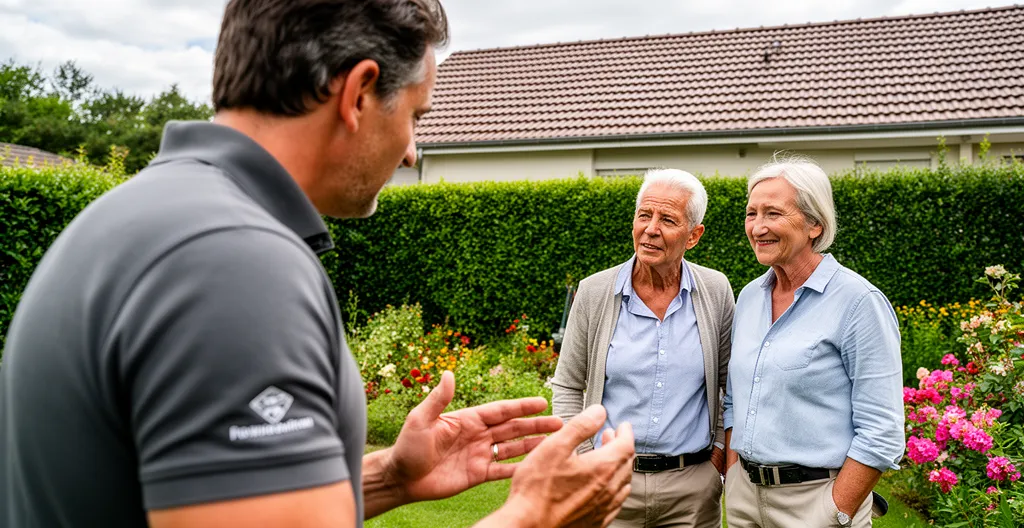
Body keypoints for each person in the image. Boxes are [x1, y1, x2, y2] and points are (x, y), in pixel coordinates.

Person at [0, 1, 637, 527]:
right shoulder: (234, 264)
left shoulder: (143, 215)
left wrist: (388, 475)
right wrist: (534, 517)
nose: (414, 152)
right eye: (415, 117)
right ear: (358, 93)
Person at [722, 157, 905, 528]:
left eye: (773, 213)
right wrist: (733, 476)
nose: (758, 227)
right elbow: (733, 401)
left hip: (815, 504)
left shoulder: (858, 301)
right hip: (744, 498)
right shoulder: (749, 297)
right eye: (751, 213)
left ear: (814, 224)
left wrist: (836, 511)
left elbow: (882, 430)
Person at [551, 169, 735, 528]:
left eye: (667, 219)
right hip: (609, 480)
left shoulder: (715, 290)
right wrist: (584, 457)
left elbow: (731, 386)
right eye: (644, 215)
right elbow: (568, 386)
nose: (651, 228)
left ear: (693, 235)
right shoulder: (594, 292)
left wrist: (717, 455)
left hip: (692, 487)